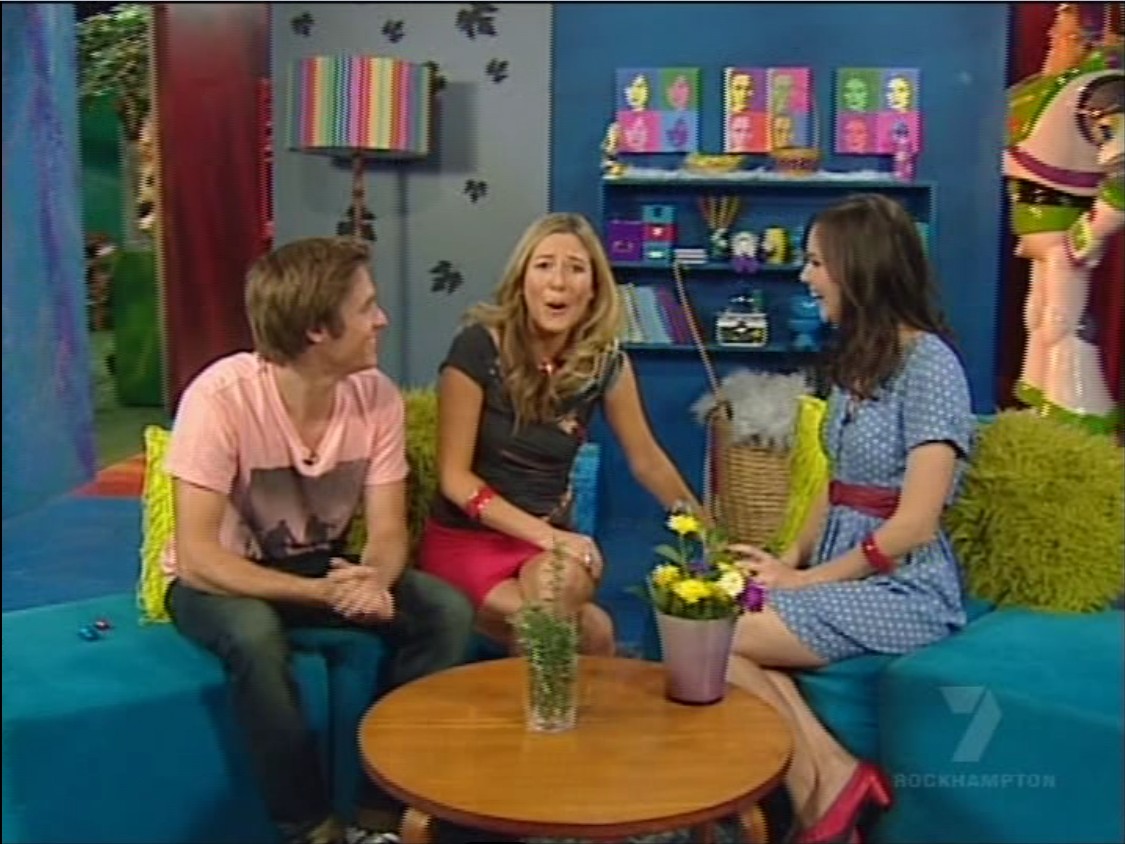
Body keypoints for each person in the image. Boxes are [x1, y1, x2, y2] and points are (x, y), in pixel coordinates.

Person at [163, 237, 475, 844]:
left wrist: (373, 580)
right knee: (254, 635)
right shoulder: (220, 398)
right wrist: (326, 596)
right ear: (316, 330)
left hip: (318, 565)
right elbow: (198, 557)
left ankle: (381, 812)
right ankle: (309, 825)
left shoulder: (375, 396)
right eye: (366, 307)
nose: (382, 320)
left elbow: (387, 530)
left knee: (447, 611)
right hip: (219, 578)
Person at [724, 194, 975, 844]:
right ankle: (829, 778)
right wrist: (787, 559)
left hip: (903, 589)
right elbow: (831, 490)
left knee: (715, 642)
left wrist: (806, 582)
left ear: (858, 267)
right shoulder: (856, 363)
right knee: (705, 621)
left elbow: (915, 525)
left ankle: (827, 786)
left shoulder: (931, 367)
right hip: (841, 573)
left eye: (816, 262)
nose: (804, 276)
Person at [417, 212, 702, 656]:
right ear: (522, 280)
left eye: (576, 268)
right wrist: (551, 538)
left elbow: (647, 460)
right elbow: (455, 479)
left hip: (543, 544)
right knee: (594, 631)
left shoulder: (604, 364)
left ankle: (546, 701)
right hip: (468, 540)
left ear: (593, 290)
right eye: (544, 265)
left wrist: (707, 532)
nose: (559, 282)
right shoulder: (478, 347)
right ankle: (538, 703)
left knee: (560, 598)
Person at [1003, 2, 1123, 433]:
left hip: (1068, 229)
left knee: (1061, 322)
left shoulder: (1104, 89)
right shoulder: (1057, 88)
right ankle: (1041, 405)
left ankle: (1079, 414)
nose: (1053, 41)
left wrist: (1093, 230)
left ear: (1090, 39)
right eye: (1053, 32)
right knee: (1039, 317)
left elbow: (1122, 170)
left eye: (1065, 34)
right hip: (1040, 226)